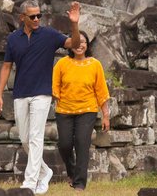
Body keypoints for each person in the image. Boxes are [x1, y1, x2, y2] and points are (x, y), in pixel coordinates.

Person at [0, 0, 81, 194]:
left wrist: (74, 24)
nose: (36, 19)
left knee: (35, 137)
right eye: (32, 16)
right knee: (24, 138)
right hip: (20, 94)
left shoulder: (49, 34)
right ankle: (45, 171)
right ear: (22, 17)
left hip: (42, 94)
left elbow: (73, 44)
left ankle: (30, 183)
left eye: (39, 15)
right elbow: (6, 66)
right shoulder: (13, 39)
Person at [52, 31, 110, 192]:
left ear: (87, 45)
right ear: (71, 44)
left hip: (87, 110)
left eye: (83, 42)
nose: (80, 45)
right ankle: (71, 172)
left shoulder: (95, 64)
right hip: (64, 110)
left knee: (82, 143)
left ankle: (79, 183)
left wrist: (106, 115)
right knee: (64, 144)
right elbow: (54, 86)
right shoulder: (62, 64)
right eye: (77, 42)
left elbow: (101, 92)